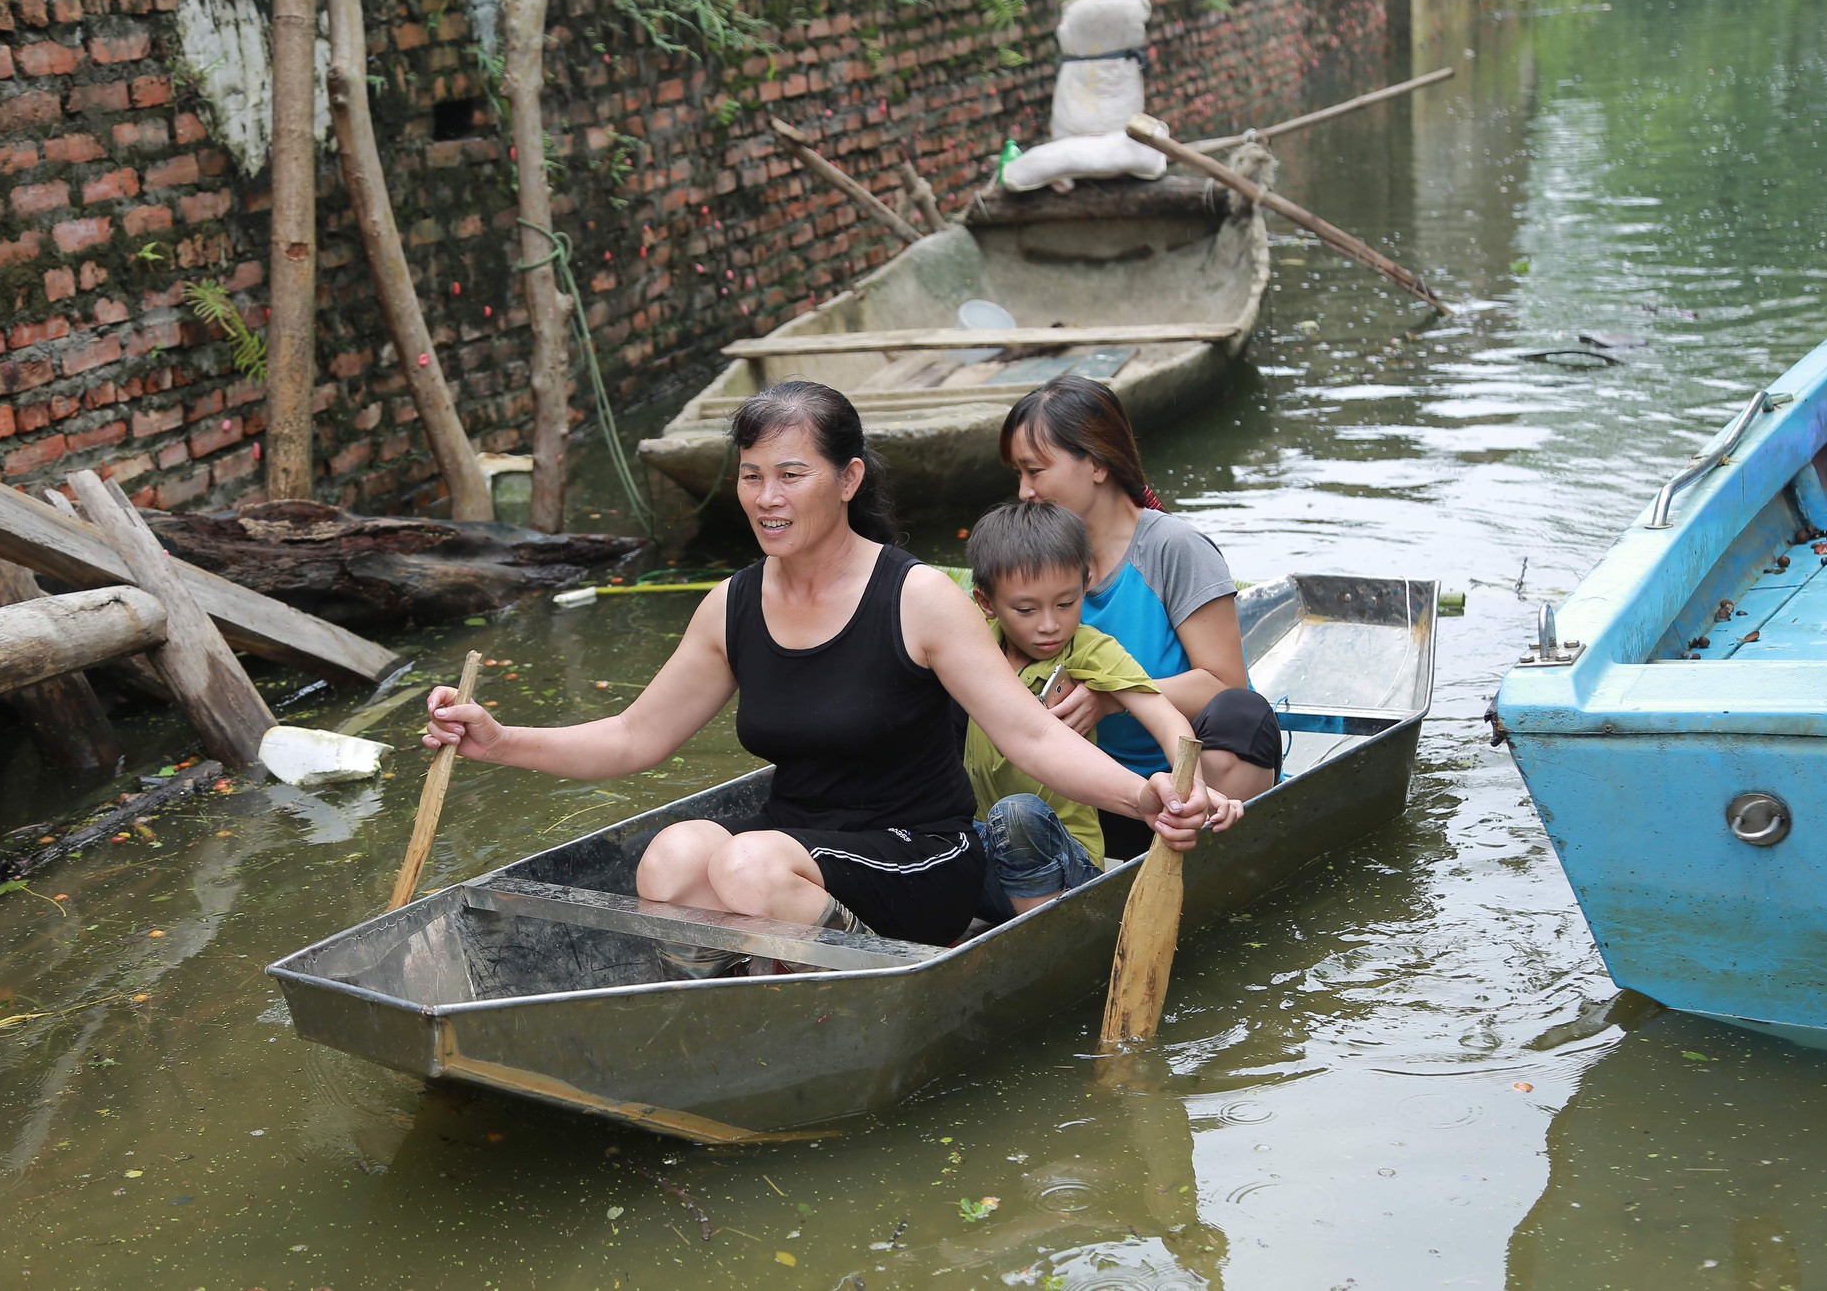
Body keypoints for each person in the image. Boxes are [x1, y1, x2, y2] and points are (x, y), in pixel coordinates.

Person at [423, 380, 1226, 978]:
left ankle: (882, 973)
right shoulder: (730, 606)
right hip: (796, 847)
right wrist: (500, 740)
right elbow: (635, 735)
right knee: (669, 859)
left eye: (790, 475)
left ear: (847, 480)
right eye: (750, 475)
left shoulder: (917, 597)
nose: (766, 498)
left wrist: (1147, 798)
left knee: (746, 865)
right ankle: (745, 1008)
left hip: (917, 854)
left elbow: (1029, 733)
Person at [1000, 375, 1282, 861]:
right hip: (1098, 793)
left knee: (1243, 716)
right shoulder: (1031, 557)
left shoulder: (1173, 548)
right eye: (1018, 475)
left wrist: (1113, 697)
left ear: (1096, 464)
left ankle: (1207, 832)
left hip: (1192, 783)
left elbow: (1225, 683)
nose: (1024, 491)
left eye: (1035, 471)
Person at [963, 499, 1243, 921]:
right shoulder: (973, 644)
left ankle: (1038, 940)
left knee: (1018, 814)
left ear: (1086, 581)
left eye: (1065, 603)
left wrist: (1192, 791)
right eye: (1026, 609)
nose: (1048, 625)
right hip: (985, 851)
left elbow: (1167, 720)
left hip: (1064, 857)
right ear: (986, 603)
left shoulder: (1087, 648)